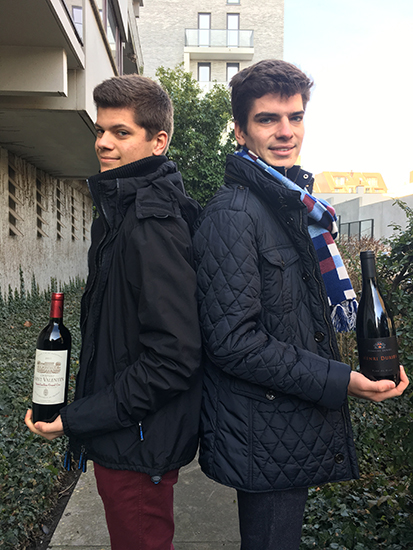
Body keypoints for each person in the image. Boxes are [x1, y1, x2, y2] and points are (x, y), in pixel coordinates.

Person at [192, 59, 409, 550]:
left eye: (295, 116)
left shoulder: (293, 207)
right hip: (264, 431)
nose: (286, 131)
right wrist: (341, 380)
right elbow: (232, 342)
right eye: (267, 119)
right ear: (240, 131)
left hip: (286, 422)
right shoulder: (234, 213)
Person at [25, 74, 203, 550]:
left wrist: (78, 419)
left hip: (139, 444)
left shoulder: (152, 224)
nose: (103, 142)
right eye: (100, 130)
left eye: (121, 132)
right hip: (124, 435)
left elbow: (174, 357)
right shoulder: (119, 215)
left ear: (158, 141)